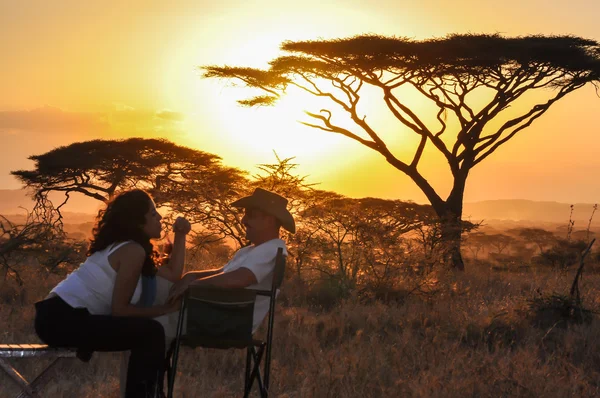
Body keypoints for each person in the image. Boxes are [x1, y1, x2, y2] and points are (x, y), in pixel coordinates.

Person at [34, 189, 191, 398]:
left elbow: (173, 274)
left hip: (55, 317)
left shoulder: (129, 248)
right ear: (138, 222)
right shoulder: (132, 250)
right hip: (60, 319)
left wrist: (180, 236)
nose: (160, 217)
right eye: (153, 214)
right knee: (151, 332)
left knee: (149, 332)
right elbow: (120, 310)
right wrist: (165, 309)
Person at [168, 188, 294, 332]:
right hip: (217, 311)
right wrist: (192, 276)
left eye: (250, 215)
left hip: (225, 318)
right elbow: (222, 273)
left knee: (152, 326)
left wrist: (194, 285)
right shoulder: (251, 250)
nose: (243, 220)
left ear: (269, 220)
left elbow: (240, 279)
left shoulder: (271, 249)